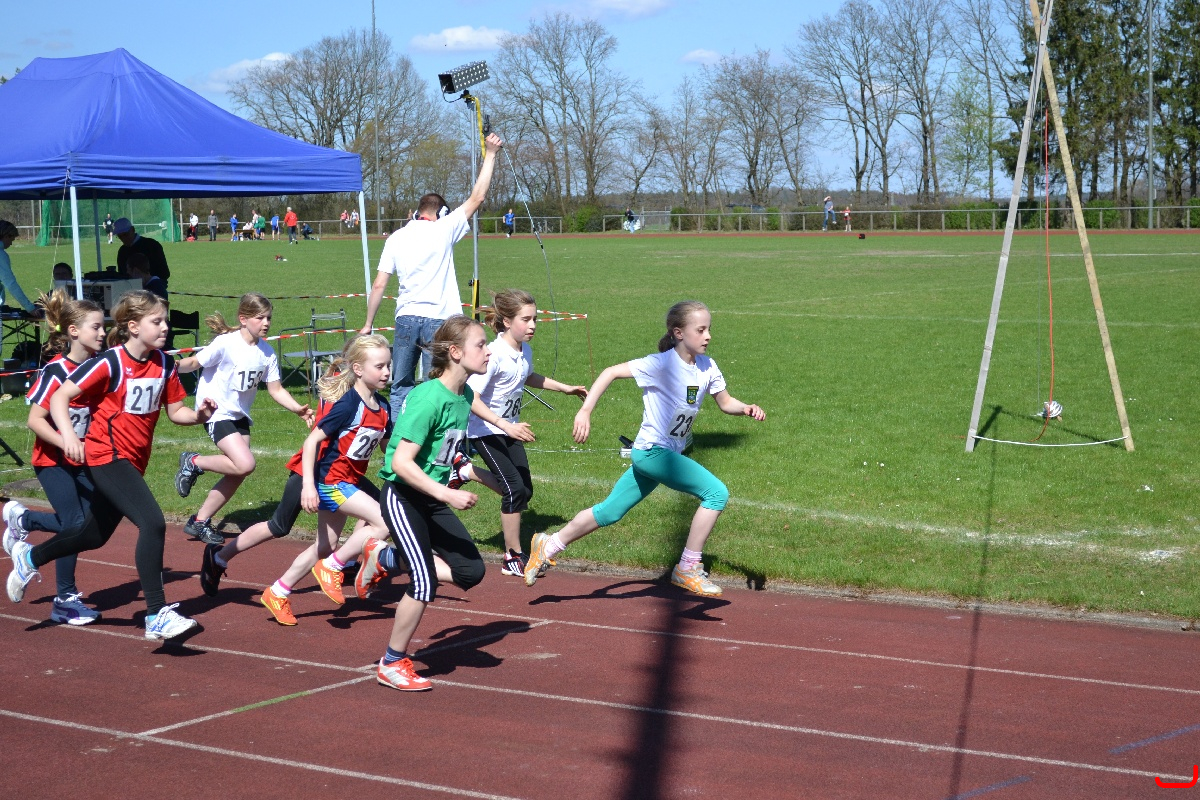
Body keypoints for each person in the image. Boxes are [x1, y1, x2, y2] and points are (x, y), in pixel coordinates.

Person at [8, 290, 217, 640]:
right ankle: (156, 614)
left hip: (134, 461)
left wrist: (199, 415)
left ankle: (30, 557)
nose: (165, 327)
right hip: (106, 456)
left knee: (92, 535)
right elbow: (60, 397)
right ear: (133, 326)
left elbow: (176, 411)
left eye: (165, 321)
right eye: (156, 321)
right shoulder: (110, 362)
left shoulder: (164, 364)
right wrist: (68, 437)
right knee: (152, 522)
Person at [524, 301, 766, 597]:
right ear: (678, 333)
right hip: (653, 452)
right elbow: (610, 372)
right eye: (701, 330)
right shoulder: (660, 365)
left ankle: (548, 545)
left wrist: (746, 408)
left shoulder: (707, 366)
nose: (708, 336)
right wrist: (585, 411)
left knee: (610, 512)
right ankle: (688, 567)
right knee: (716, 493)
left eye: (709, 329)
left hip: (663, 455)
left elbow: (725, 402)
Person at [352, 316, 490, 691]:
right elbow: (400, 462)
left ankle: (383, 558)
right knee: (424, 579)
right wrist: (447, 493)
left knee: (470, 571)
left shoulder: (463, 396)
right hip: (404, 496)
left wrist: (484, 476)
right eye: (481, 344)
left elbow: (445, 452)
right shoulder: (428, 398)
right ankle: (392, 663)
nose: (488, 351)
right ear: (456, 352)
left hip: (431, 497)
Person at [359, 131, 504, 419]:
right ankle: (430, 436)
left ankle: (397, 436)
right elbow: (477, 197)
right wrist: (490, 154)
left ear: (418, 212)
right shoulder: (443, 229)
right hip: (439, 319)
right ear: (441, 212)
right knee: (435, 384)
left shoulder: (396, 237)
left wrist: (368, 324)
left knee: (400, 385)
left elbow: (379, 285)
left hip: (405, 317)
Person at [258, 334, 396, 625]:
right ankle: (333, 566)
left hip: (349, 482)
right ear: (358, 369)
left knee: (323, 545)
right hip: (332, 482)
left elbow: (388, 449)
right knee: (385, 520)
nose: (387, 372)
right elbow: (311, 442)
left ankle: (277, 592)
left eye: (388, 365)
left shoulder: (383, 407)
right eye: (379, 366)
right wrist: (308, 486)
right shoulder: (348, 405)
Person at [173, 293, 314, 547]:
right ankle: (193, 461)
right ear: (243, 319)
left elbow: (276, 389)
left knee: (238, 472)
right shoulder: (226, 343)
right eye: (260, 318)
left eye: (268, 318)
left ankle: (200, 521)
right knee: (245, 464)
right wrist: (171, 365)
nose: (266, 323)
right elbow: (194, 362)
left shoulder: (267, 353)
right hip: (216, 412)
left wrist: (298, 409)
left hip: (239, 415)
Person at [2, 289, 107, 625]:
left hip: (85, 459)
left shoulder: (101, 367)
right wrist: (66, 441)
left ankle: (24, 520)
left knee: (86, 526)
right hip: (52, 461)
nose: (102, 333)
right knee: (75, 525)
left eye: (103, 326)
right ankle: (65, 598)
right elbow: (35, 420)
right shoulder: (56, 370)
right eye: (96, 327)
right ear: (74, 331)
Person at [465, 290, 587, 577]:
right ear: (507, 321)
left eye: (535, 319)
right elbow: (471, 397)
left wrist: (564, 388)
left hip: (511, 430)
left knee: (525, 492)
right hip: (485, 431)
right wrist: (504, 424)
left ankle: (465, 471)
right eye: (526, 319)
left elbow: (527, 376)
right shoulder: (493, 355)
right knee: (513, 490)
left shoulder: (524, 351)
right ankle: (512, 555)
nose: (532, 325)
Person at [114, 217, 171, 290]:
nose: (123, 238)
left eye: (125, 234)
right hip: (132, 291)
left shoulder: (152, 245)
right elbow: (122, 275)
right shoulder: (122, 251)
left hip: (153, 289)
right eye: (120, 236)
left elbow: (164, 273)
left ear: (133, 229)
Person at [0, 220, 37, 316]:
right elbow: (11, 284)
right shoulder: (1, 255)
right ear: (6, 236)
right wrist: (30, 308)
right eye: (11, 240)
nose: (11, 244)